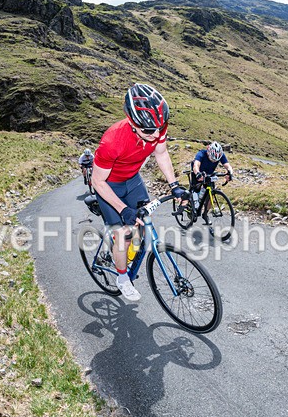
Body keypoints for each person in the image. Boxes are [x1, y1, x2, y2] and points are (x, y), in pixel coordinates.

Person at [92, 83, 187, 301]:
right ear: (133, 123)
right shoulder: (112, 141)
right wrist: (122, 209)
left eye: (160, 128)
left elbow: (161, 154)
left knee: (143, 225)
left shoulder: (156, 126)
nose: (156, 135)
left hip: (133, 180)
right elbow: (98, 181)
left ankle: (122, 251)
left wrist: (174, 185)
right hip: (109, 186)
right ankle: (122, 278)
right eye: (149, 131)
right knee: (124, 235)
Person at [191, 141, 234, 224]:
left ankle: (205, 214)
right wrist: (198, 174)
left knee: (211, 196)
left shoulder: (220, 155)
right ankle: (192, 206)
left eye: (216, 160)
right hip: (198, 172)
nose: (214, 161)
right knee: (195, 191)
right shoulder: (201, 153)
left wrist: (230, 173)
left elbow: (227, 165)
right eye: (212, 159)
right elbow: (196, 165)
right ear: (208, 152)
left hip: (209, 174)